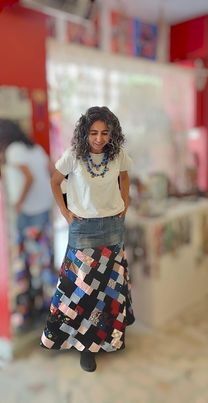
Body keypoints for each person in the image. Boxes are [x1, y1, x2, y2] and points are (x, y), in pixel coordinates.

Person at [41, 106, 135, 372]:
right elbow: (55, 181)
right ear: (84, 133)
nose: (99, 138)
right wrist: (65, 212)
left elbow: (125, 177)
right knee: (82, 290)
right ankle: (84, 346)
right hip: (82, 229)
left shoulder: (118, 155)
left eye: (105, 132)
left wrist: (125, 202)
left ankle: (108, 338)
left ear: (112, 133)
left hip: (113, 227)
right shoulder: (73, 156)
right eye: (93, 132)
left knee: (109, 289)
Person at [0, 119, 55, 331]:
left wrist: (18, 203)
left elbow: (29, 178)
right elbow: (51, 169)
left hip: (29, 212)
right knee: (43, 259)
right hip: (42, 210)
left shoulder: (14, 150)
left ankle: (29, 311)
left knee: (26, 262)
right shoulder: (35, 148)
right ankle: (47, 307)